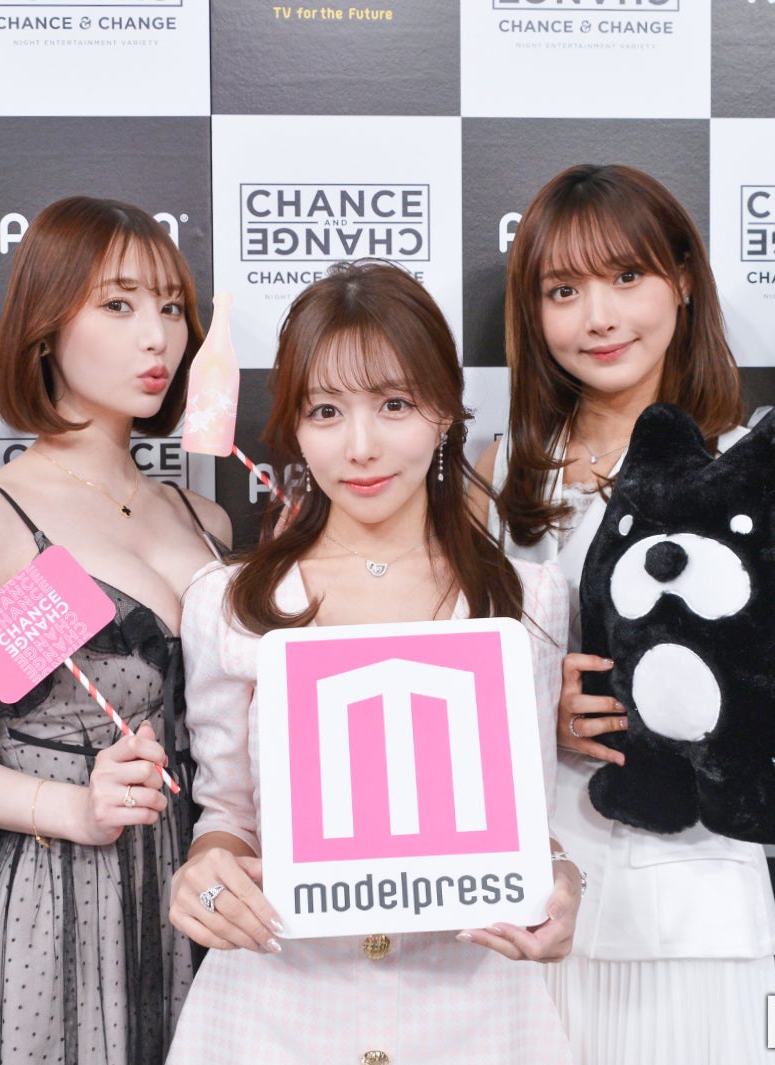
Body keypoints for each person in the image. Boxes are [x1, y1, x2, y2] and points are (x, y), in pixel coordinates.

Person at [165, 260, 579, 1064]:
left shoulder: (526, 595)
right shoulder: (228, 601)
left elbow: (532, 820)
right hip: (276, 1018)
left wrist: (563, 884)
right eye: (326, 410)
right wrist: (205, 879)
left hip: (473, 1019)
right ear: (294, 425)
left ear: (444, 411)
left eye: (394, 404)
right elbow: (226, 818)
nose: (360, 447)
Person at [0, 196, 230, 1065]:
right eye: (118, 304)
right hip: (64, 901)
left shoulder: (206, 520)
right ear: (45, 327)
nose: (157, 336)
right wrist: (74, 807)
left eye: (171, 308)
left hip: (205, 888)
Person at [474, 163, 775, 1064]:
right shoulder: (496, 475)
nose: (599, 316)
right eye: (564, 290)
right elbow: (451, 683)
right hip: (525, 900)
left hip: (695, 900)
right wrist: (535, 713)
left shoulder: (752, 465)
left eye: (627, 276)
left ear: (683, 280)